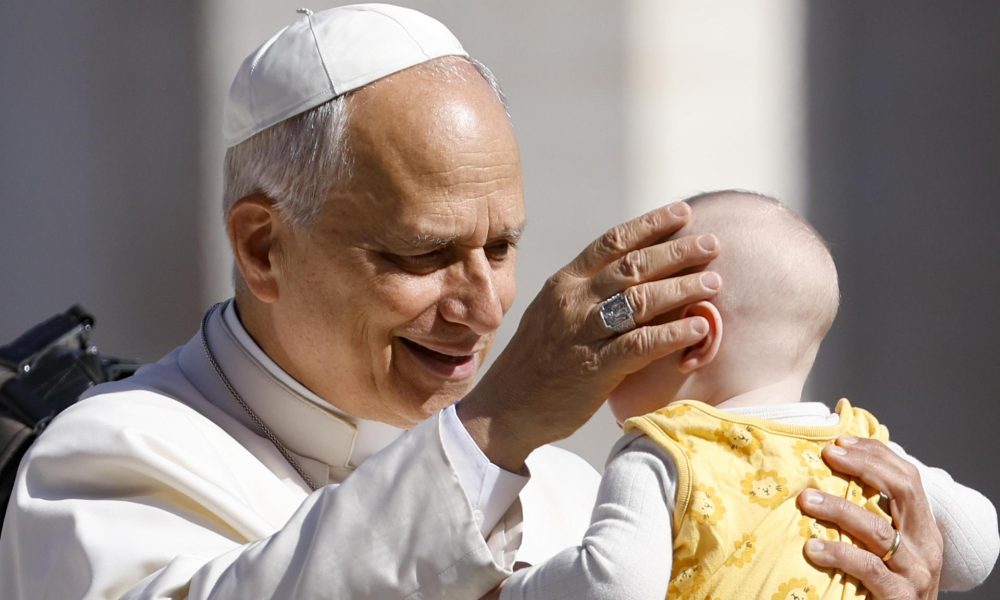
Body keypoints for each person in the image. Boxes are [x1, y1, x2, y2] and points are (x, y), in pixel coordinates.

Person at [0, 5, 963, 599]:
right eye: (423, 254)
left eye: (502, 247)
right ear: (263, 245)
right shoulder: (110, 456)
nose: (482, 305)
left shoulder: (575, 501)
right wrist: (493, 428)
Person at [494, 191, 999, 599]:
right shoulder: (865, 450)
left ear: (694, 338)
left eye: (623, 329)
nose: (605, 360)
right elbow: (976, 549)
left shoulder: (665, 453)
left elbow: (613, 585)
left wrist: (515, 589)